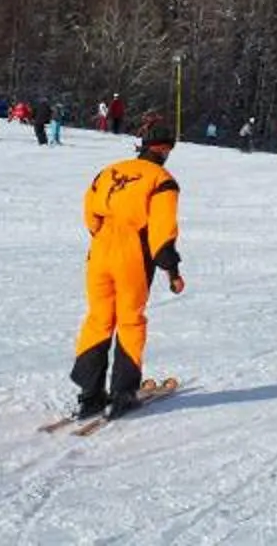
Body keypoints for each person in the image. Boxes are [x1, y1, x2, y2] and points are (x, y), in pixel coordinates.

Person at [70, 115, 185, 420]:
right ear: (163, 150)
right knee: (130, 321)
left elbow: (90, 214)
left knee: (98, 319)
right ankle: (122, 394)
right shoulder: (162, 180)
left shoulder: (110, 171)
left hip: (99, 251)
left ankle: (89, 394)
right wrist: (172, 271)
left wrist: (103, 238)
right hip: (132, 254)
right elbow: (161, 235)